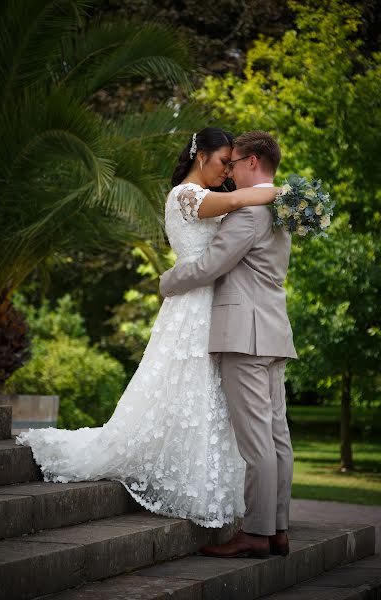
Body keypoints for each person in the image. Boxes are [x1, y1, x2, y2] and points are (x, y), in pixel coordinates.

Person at [17, 127, 278, 529]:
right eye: (224, 162)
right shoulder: (187, 196)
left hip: (220, 306)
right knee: (187, 387)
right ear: (200, 155)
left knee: (212, 399)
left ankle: (210, 481)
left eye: (233, 163)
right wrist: (288, 195)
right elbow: (244, 198)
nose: (228, 171)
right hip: (193, 303)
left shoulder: (216, 200)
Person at [160, 130, 297, 558]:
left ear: (253, 162)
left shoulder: (248, 213)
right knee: (277, 438)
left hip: (245, 334)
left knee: (258, 441)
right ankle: (277, 529)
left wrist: (167, 281)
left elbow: (212, 264)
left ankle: (255, 535)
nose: (229, 171)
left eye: (234, 162)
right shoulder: (281, 210)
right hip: (273, 331)